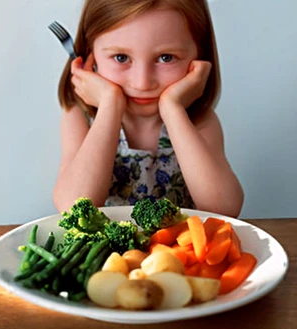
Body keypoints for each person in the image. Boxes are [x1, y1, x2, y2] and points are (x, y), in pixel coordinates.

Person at [53, 0, 244, 217]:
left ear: (198, 56)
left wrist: (172, 109)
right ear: (90, 56)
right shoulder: (81, 117)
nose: (142, 83)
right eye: (121, 57)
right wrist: (110, 105)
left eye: (166, 58)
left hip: (174, 251)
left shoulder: (198, 120)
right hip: (109, 252)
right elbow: (73, 208)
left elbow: (224, 209)